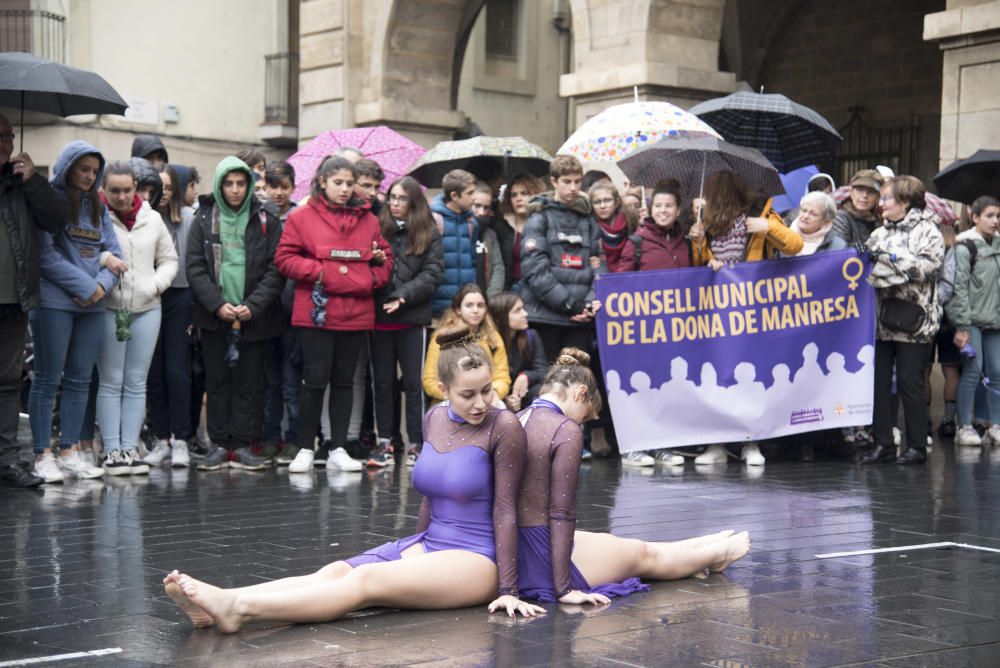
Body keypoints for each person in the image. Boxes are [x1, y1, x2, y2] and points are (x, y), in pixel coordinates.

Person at [162, 326, 544, 632]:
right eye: (468, 394)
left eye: (486, 390)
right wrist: (414, 550)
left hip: (478, 558)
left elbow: (507, 510)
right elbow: (430, 497)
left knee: (367, 582)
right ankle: (221, 599)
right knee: (337, 571)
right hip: (431, 544)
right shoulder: (435, 418)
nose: (481, 402)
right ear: (443, 391)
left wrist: (508, 589)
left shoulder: (503, 425)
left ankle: (238, 610)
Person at [516, 349, 751, 602]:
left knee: (614, 542)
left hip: (523, 542)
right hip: (541, 554)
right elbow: (562, 512)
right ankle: (715, 554)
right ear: (580, 393)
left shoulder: (517, 418)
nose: (581, 423)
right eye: (585, 415)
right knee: (644, 556)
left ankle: (699, 547)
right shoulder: (563, 428)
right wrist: (564, 588)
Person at [274, 156, 392, 473]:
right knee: (314, 380)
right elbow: (284, 258)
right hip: (317, 312)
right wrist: (323, 272)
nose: (344, 189)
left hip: (355, 313)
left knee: (344, 381)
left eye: (349, 183)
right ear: (322, 182)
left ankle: (339, 446)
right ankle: (304, 448)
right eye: (337, 182)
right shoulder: (302, 217)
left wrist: (370, 277)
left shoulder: (369, 219)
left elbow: (386, 259)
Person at [689, 170, 803, 466]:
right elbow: (699, 264)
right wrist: (700, 246)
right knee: (719, 374)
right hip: (717, 310)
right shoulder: (706, 219)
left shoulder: (761, 212)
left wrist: (767, 227)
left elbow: (794, 245)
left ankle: (751, 443)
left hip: (752, 310)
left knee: (751, 374)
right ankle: (717, 444)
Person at [29, 141, 124, 483]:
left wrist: (99, 287)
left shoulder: (97, 205)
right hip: (55, 303)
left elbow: (113, 252)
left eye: (95, 171)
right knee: (46, 378)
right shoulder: (49, 202)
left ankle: (69, 451)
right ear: (67, 166)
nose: (90, 176)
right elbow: (45, 256)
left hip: (93, 305)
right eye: (84, 169)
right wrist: (87, 287)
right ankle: (42, 454)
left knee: (80, 380)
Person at [186, 156, 285, 471]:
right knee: (216, 381)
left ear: (250, 185)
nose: (235, 190)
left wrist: (252, 306)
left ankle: (242, 444)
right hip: (214, 316)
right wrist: (217, 304)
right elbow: (195, 267)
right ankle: (218, 443)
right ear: (218, 185)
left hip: (253, 316)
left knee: (248, 382)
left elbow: (275, 269)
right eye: (228, 183)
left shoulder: (267, 218)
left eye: (241, 183)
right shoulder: (202, 217)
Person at [96, 161, 178, 475]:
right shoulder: (96, 216)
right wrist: (106, 258)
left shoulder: (152, 219)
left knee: (136, 381)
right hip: (109, 308)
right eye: (114, 190)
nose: (121, 196)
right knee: (111, 380)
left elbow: (170, 260)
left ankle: (130, 449)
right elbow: (85, 252)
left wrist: (154, 286)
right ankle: (112, 451)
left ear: (136, 190)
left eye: (127, 190)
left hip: (146, 309)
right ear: (104, 189)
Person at [0, 113, 67, 487]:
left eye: (8, 137)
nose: (5, 144)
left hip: (15, 297)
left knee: (8, 381)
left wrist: (34, 181)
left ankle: (7, 461)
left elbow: (57, 220)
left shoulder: (24, 183)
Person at [863, 176, 943, 465]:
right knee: (880, 383)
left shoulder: (928, 231)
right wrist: (883, 260)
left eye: (886, 198)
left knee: (911, 383)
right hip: (882, 320)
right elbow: (868, 267)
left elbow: (927, 268)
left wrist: (892, 259)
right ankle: (882, 442)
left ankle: (917, 446)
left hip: (914, 321)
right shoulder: (878, 233)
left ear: (905, 202)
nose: (880, 203)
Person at [615, 184, 690, 467]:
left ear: (678, 210)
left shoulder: (687, 242)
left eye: (669, 206)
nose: (663, 211)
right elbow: (619, 286)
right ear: (649, 209)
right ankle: (633, 447)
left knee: (668, 388)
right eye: (658, 206)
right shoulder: (636, 242)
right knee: (639, 388)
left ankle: (662, 446)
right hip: (642, 334)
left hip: (676, 333)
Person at [371, 176, 443, 467]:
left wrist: (403, 295)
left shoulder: (428, 232)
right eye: (392, 198)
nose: (396, 204)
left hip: (412, 317)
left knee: (414, 383)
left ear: (413, 202)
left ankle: (416, 443)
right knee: (383, 382)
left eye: (402, 199)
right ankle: (385, 442)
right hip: (379, 316)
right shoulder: (377, 228)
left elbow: (433, 272)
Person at [520, 155, 604, 362]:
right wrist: (570, 305)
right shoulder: (539, 218)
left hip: (581, 319)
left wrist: (588, 304)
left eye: (578, 181)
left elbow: (600, 265)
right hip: (547, 318)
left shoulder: (588, 220)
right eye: (567, 182)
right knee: (548, 383)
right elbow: (535, 270)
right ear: (554, 181)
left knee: (577, 383)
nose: (574, 188)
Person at [145, 164, 198, 467]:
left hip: (181, 296)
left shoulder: (190, 219)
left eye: (168, 188)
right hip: (150, 296)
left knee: (177, 371)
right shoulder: (144, 219)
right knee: (153, 372)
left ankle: (181, 439)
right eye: (157, 187)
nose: (162, 194)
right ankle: (160, 438)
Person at [947, 195, 1000, 447]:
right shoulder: (965, 247)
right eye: (990, 216)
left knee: (998, 372)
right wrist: (962, 325)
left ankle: (995, 424)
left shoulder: (999, 246)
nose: (995, 221)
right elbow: (959, 287)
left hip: (996, 321)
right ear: (975, 217)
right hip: (972, 321)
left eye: (998, 216)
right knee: (972, 372)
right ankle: (964, 426)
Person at [258, 161, 300, 463]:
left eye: (284, 187)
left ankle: (295, 438)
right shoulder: (258, 217)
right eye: (273, 187)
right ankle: (270, 436)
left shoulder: (300, 217)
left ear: (293, 188)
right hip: (265, 309)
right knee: (269, 380)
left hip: (294, 309)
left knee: (291, 378)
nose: (278, 193)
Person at [423, 284, 509, 404]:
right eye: (469, 305)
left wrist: (492, 392)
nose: (475, 310)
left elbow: (502, 377)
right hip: (450, 402)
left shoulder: (493, 337)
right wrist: (459, 396)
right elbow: (429, 381)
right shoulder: (443, 337)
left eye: (480, 305)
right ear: (458, 309)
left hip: (487, 400)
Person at [430, 169, 478, 319]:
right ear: (454, 196)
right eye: (469, 193)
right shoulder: (435, 220)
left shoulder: (471, 222)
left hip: (465, 307)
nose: (474, 198)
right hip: (438, 307)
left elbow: (473, 261)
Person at [489, 292, 546, 412]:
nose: (525, 314)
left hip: (525, 399)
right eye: (517, 310)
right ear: (501, 316)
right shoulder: (488, 343)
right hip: (495, 400)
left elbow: (543, 372)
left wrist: (526, 376)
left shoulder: (531, 336)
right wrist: (505, 400)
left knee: (543, 391)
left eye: (523, 308)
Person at [495, 173, 544, 292]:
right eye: (514, 195)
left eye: (524, 193)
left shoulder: (545, 223)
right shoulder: (503, 227)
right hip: (512, 289)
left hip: (540, 287)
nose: (518, 199)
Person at [589, 179, 638, 273]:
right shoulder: (589, 227)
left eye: (607, 200)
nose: (602, 206)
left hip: (629, 276)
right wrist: (586, 262)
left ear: (617, 202)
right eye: (597, 202)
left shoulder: (631, 222)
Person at [470, 181, 506, 297]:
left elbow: (498, 267)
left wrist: (490, 299)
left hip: (485, 300)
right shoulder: (455, 230)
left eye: (486, 208)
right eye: (477, 206)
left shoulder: (489, 234)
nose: (481, 212)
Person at [832, 169, 883, 247]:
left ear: (878, 197)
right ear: (851, 192)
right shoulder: (840, 218)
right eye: (860, 190)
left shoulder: (878, 220)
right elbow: (839, 250)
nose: (865, 195)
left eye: (871, 191)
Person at [786, 192, 847, 256]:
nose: (805, 216)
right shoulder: (782, 237)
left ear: (825, 221)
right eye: (804, 210)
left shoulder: (838, 247)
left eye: (813, 214)